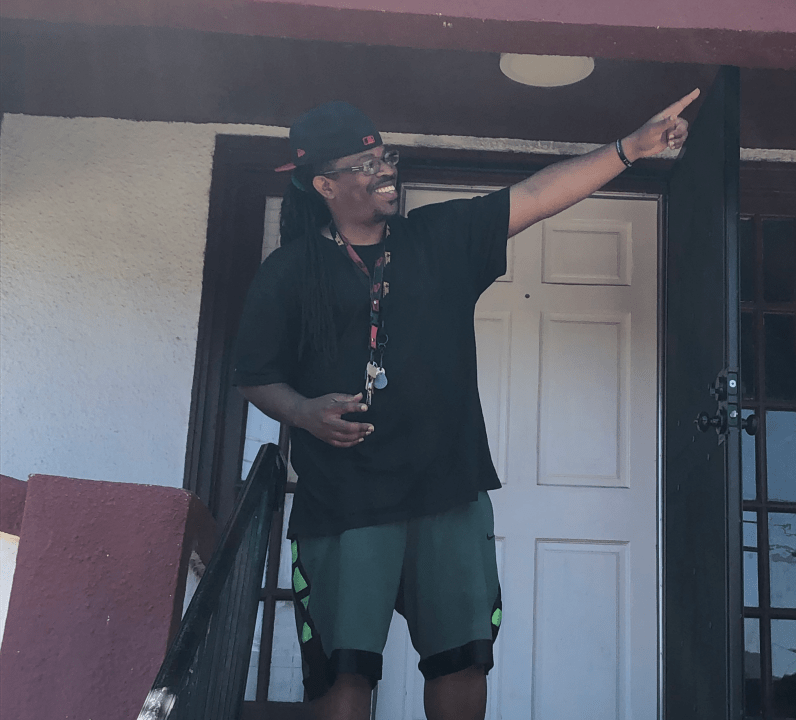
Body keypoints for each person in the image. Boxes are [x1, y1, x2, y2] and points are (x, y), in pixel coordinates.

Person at [233, 91, 698, 720]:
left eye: (386, 157)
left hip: (447, 488)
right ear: (324, 184)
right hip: (344, 497)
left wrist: (631, 149)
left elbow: (536, 196)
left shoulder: (438, 237)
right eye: (365, 166)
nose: (385, 172)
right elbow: (256, 376)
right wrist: (305, 411)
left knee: (462, 661)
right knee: (344, 675)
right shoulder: (288, 270)